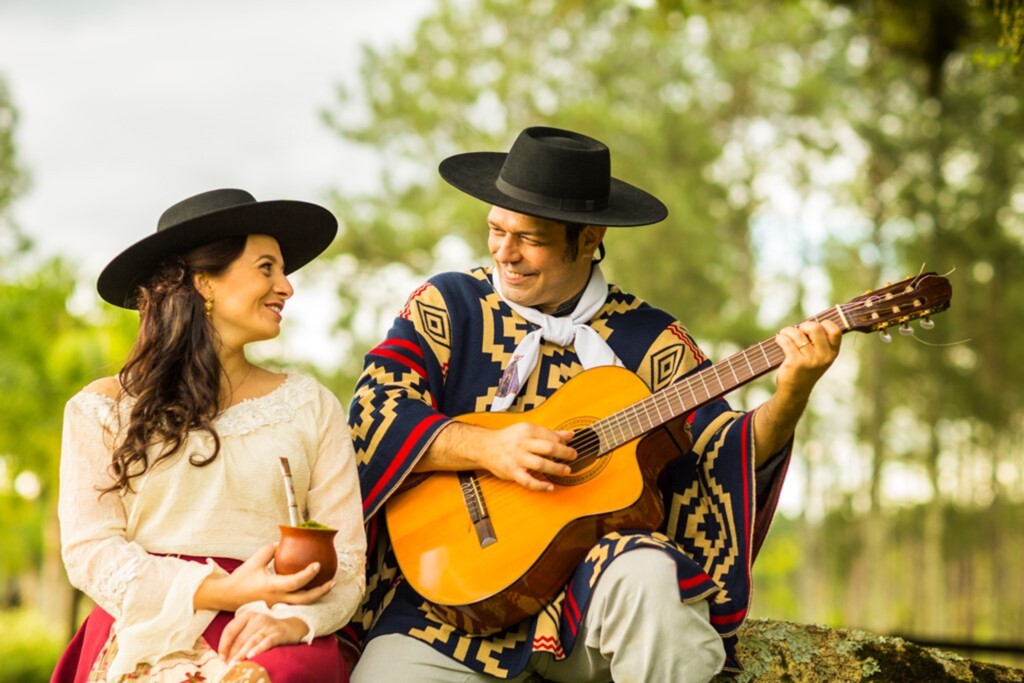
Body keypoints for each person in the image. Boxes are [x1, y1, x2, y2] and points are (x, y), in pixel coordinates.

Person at [344, 127, 842, 683]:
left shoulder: (651, 340)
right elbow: (374, 411)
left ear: (588, 239)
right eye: (496, 230)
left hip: (592, 590)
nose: (504, 253)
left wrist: (793, 391)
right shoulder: (450, 305)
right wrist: (487, 448)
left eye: (527, 238)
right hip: (450, 606)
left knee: (654, 579)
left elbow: (724, 455)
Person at [52, 189, 366, 683]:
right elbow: (91, 550)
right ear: (203, 283)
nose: (286, 286)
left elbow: (346, 560)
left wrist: (292, 621)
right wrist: (223, 590)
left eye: (283, 271)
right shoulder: (101, 408)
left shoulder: (311, 406)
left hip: (270, 624)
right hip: (147, 620)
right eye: (267, 268)